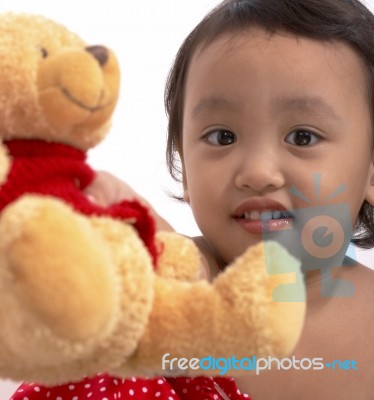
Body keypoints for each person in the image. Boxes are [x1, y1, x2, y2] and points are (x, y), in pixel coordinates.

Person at [11, 0, 374, 399]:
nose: (257, 172)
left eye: (302, 137)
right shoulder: (182, 280)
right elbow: (139, 246)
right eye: (223, 137)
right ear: (184, 166)